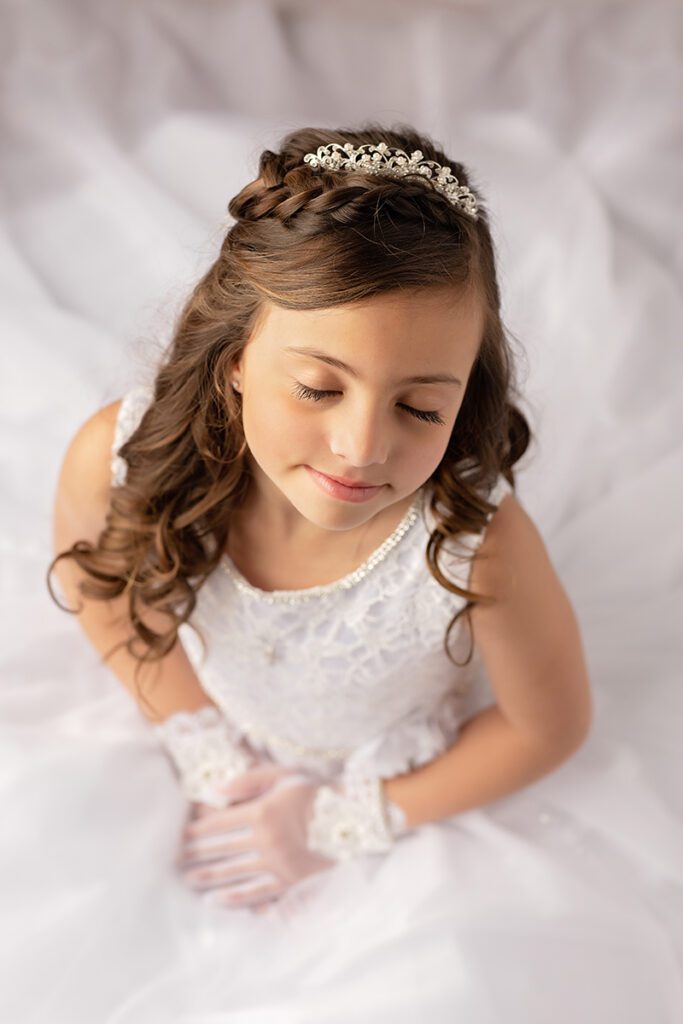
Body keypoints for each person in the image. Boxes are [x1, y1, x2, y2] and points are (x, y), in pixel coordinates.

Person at [45, 123, 681, 1022]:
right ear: (235, 364)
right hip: (196, 745)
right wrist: (195, 734)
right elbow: (100, 586)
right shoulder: (123, 453)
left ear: (466, 394)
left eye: (420, 406)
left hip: (401, 786)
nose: (362, 448)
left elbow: (550, 724)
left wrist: (339, 822)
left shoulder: (476, 545)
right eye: (318, 388)